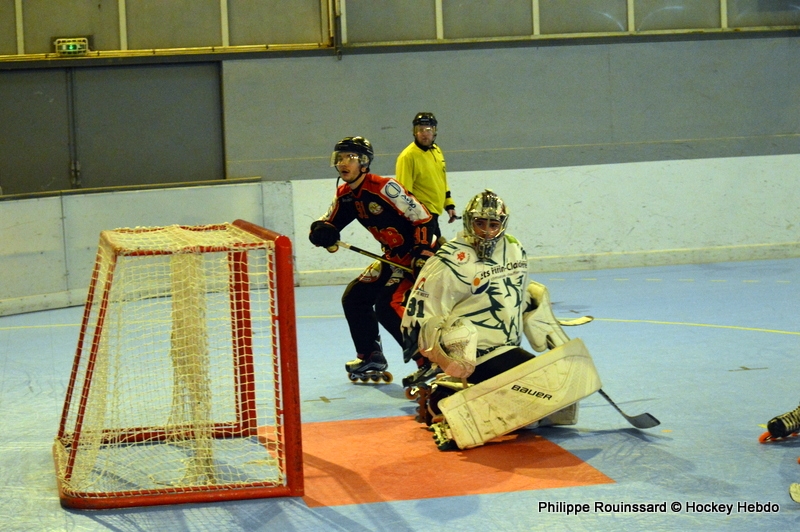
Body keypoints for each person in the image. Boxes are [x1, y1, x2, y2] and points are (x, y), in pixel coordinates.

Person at [401, 189, 598, 450]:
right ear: (468, 222)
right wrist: (445, 357)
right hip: (473, 353)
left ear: (503, 225)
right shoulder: (448, 260)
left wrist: (535, 307)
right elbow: (418, 316)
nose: (486, 231)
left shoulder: (514, 249)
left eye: (493, 224)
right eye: (479, 223)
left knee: (561, 399)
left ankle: (459, 393)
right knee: (544, 393)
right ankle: (442, 395)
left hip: (507, 347)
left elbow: (515, 294)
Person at [309, 136, 439, 381]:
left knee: (388, 305)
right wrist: (320, 233)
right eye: (340, 157)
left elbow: (424, 218)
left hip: (419, 257)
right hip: (393, 257)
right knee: (355, 297)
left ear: (365, 163)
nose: (343, 162)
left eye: (350, 157)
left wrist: (422, 254)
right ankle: (371, 356)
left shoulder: (384, 187)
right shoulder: (346, 194)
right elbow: (328, 222)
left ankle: (429, 361)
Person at [395, 112, 457, 238]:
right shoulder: (408, 156)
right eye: (420, 130)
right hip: (421, 215)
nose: (424, 134)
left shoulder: (436, 151)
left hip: (434, 213)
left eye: (428, 130)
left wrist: (449, 204)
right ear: (414, 132)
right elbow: (403, 192)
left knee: (437, 253)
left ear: (434, 131)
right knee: (434, 253)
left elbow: (442, 179)